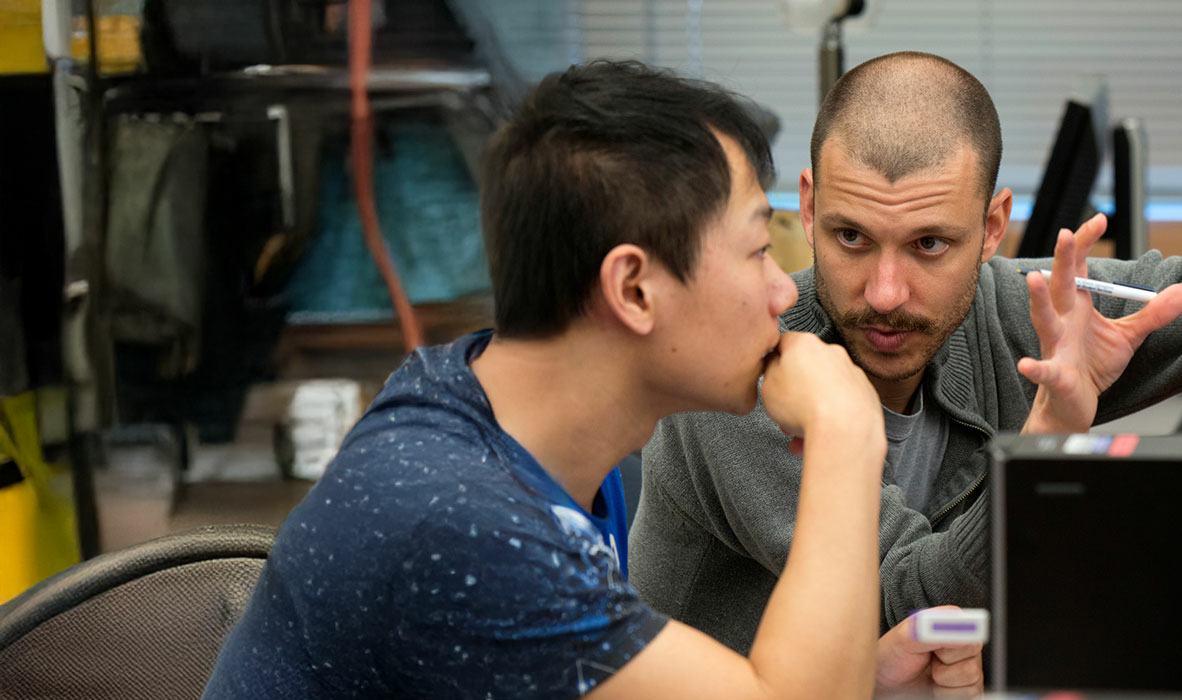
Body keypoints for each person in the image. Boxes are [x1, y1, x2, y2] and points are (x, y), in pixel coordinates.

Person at [201, 60, 983, 700]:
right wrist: (845, 431)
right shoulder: (458, 519)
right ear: (634, 289)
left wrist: (859, 677)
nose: (785, 292)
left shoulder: (498, 416)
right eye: (755, 251)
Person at [629, 50, 1182, 652]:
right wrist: (1052, 428)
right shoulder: (741, 378)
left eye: (929, 245)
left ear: (992, 230)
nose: (883, 291)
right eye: (850, 236)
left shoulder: (1000, 307)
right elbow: (906, 607)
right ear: (807, 206)